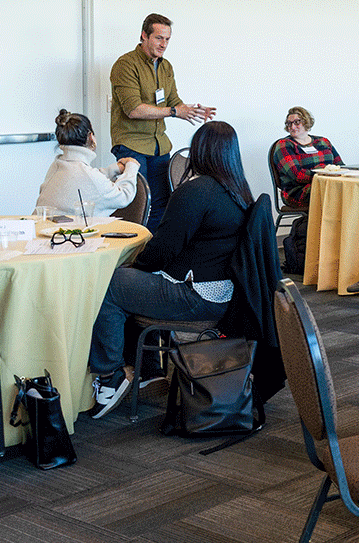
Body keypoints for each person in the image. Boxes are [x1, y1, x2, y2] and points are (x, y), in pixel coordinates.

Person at [87, 120, 252, 418]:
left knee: (111, 284)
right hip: (227, 296)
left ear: (198, 151)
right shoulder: (240, 190)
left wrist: (137, 266)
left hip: (195, 296)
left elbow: (161, 252)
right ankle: (148, 370)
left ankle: (109, 377)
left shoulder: (195, 192)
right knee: (137, 281)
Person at [109, 13, 215, 229]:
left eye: (167, 39)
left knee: (162, 205)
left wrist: (192, 110)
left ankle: (151, 256)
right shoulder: (125, 65)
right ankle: (132, 257)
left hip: (159, 146)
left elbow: (173, 100)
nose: (163, 44)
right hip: (132, 145)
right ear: (144, 36)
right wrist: (175, 111)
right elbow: (133, 109)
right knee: (136, 204)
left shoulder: (166, 67)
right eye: (159, 38)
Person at [272, 106, 343, 276]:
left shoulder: (323, 142)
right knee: (332, 195)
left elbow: (341, 166)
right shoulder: (284, 145)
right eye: (289, 124)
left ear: (307, 122)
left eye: (297, 122)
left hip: (325, 186)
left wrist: (331, 174)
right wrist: (324, 172)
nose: (293, 127)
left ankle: (341, 252)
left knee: (346, 193)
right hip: (297, 192)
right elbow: (297, 175)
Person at [35, 108, 140, 220]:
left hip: (41, 230)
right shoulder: (86, 174)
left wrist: (114, 169)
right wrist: (132, 166)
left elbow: (87, 181)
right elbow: (123, 196)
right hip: (68, 235)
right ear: (91, 137)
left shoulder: (57, 165)